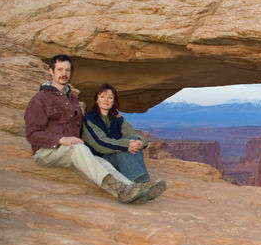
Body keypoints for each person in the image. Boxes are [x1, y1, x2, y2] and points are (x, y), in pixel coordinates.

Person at [24, 54, 165, 204]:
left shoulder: (72, 99)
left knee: (100, 163)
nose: (64, 74)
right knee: (79, 149)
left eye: (67, 70)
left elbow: (84, 123)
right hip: (47, 152)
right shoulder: (40, 99)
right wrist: (61, 139)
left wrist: (110, 114)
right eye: (59, 70)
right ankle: (122, 190)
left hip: (69, 151)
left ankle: (135, 189)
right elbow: (32, 134)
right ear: (51, 71)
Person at [82, 83, 160, 188]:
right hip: (99, 160)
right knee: (124, 148)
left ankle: (143, 183)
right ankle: (138, 184)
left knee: (132, 141)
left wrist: (140, 142)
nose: (106, 100)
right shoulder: (90, 119)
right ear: (97, 100)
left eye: (110, 98)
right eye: (102, 97)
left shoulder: (117, 118)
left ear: (114, 102)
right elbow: (100, 143)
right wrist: (126, 145)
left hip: (114, 157)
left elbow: (133, 133)